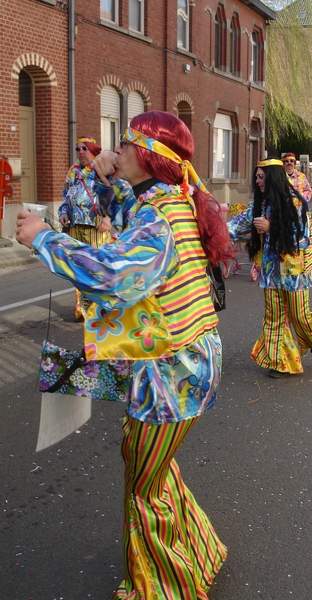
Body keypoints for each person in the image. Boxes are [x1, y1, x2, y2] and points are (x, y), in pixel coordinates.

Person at [16, 110, 234, 600]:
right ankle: (196, 553)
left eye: (126, 145)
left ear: (146, 156)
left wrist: (43, 239)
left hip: (172, 374)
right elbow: (124, 217)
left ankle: (164, 586)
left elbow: (115, 274)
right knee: (153, 469)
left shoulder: (159, 217)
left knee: (143, 484)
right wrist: (105, 175)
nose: (118, 150)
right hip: (180, 361)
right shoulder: (169, 199)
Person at [227, 158, 312, 378]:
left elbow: (302, 238)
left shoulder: (296, 203)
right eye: (256, 176)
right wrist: (207, 230)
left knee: (299, 316)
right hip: (270, 271)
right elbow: (237, 226)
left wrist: (272, 228)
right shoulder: (260, 205)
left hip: (296, 271)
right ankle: (280, 362)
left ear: (273, 177)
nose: (256, 181)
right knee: (274, 317)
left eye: (260, 176)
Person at [59, 136, 112, 321]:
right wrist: (64, 212)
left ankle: (100, 310)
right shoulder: (72, 172)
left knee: (97, 268)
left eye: (84, 148)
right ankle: (82, 308)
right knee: (78, 269)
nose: (80, 152)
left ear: (93, 150)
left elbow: (117, 195)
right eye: (77, 149)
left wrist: (108, 217)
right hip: (75, 227)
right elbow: (66, 196)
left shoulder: (102, 169)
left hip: (96, 228)